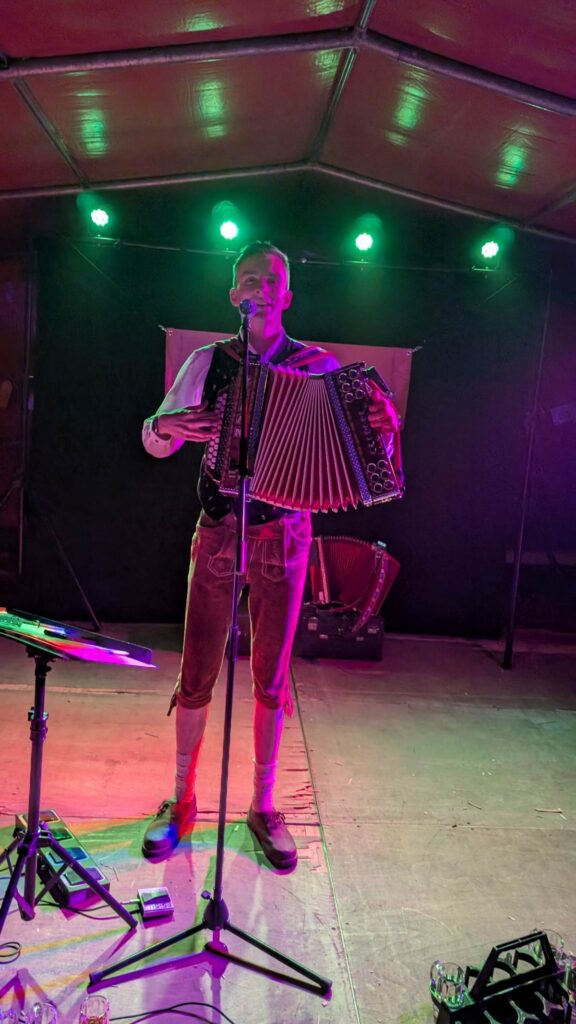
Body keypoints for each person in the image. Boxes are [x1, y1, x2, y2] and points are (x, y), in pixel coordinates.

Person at [141, 241, 400, 869]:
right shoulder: (208, 362)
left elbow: (359, 452)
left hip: (286, 535)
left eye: (272, 279)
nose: (260, 287)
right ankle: (182, 798)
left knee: (272, 675)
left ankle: (262, 804)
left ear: (287, 295)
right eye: (250, 279)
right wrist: (165, 426)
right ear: (234, 294)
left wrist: (382, 425)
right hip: (220, 527)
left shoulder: (319, 367)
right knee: (198, 668)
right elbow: (155, 440)